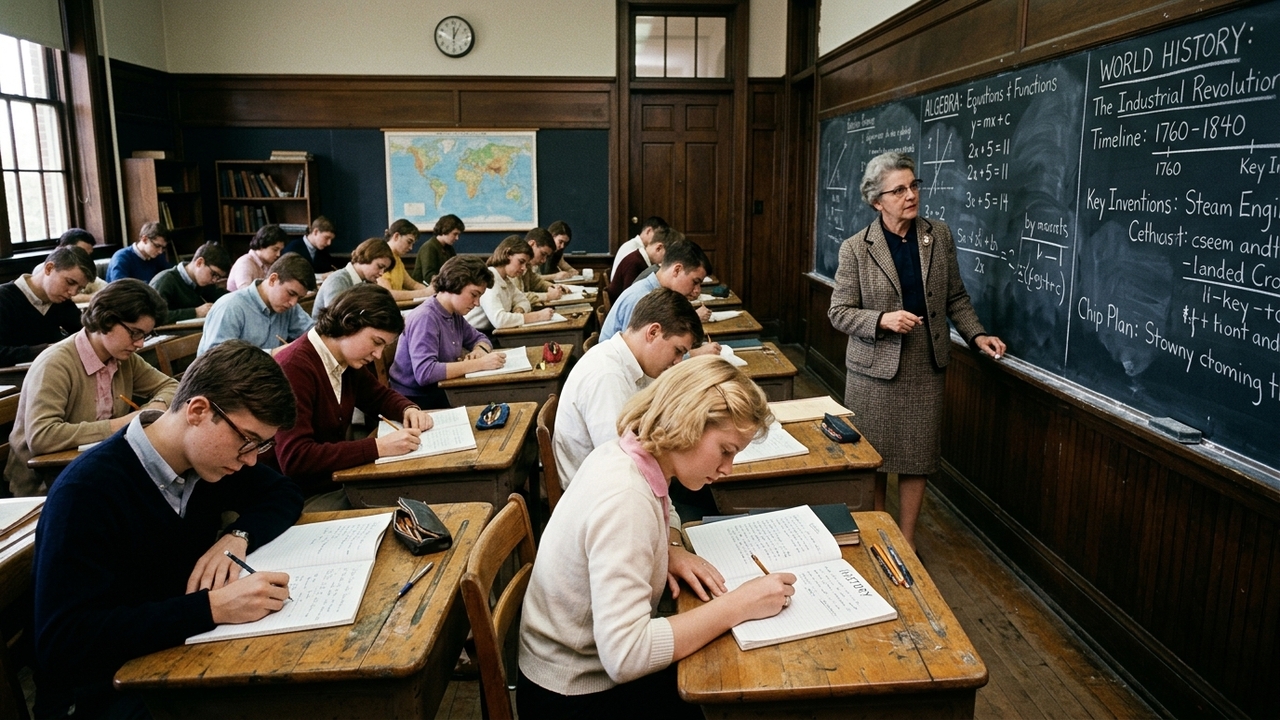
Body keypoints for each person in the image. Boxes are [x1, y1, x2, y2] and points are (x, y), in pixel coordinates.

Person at [32, 340, 303, 718]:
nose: (250, 460)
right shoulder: (87, 492)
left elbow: (284, 493)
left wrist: (238, 536)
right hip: (110, 691)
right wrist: (209, 609)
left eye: (260, 446)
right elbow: (65, 641)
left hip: (183, 655)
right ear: (198, 410)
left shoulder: (209, 462)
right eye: (247, 441)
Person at [517, 355, 795, 717]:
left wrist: (669, 548)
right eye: (725, 451)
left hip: (576, 671)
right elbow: (626, 655)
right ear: (688, 423)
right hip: (573, 694)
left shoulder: (626, 454)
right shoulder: (626, 499)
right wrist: (739, 604)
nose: (727, 468)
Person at [828, 151, 1006, 549]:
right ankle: (876, 538)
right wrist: (881, 320)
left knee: (916, 460)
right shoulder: (855, 248)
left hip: (925, 365)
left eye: (914, 185)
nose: (911, 195)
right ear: (877, 202)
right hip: (873, 370)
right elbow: (838, 313)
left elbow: (955, 297)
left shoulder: (937, 235)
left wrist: (976, 335)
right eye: (899, 190)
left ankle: (904, 544)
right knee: (872, 460)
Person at [7, 279, 178, 497]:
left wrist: (155, 406)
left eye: (145, 335)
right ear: (106, 319)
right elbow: (42, 436)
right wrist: (123, 424)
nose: (140, 344)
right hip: (46, 482)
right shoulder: (56, 364)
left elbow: (171, 385)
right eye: (135, 333)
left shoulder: (124, 358)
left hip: (96, 469)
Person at [272, 285, 434, 496]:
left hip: (336, 480)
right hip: (300, 495)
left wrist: (408, 409)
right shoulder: (294, 367)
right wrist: (378, 447)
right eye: (376, 342)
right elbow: (295, 458)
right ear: (349, 324)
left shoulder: (346, 360)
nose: (378, 354)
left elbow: (378, 396)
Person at [554, 287, 701, 486]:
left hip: (617, 479)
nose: (677, 361)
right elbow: (621, 462)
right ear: (653, 332)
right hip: (598, 492)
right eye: (678, 351)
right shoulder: (607, 375)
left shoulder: (632, 364)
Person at [389, 256, 505, 408]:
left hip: (439, 390)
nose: (477, 303)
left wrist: (480, 350)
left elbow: (480, 338)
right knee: (492, 401)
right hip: (415, 400)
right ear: (455, 283)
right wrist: (479, 364)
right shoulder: (426, 317)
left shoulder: (453, 313)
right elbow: (425, 373)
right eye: (474, 294)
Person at [600, 238, 716, 351]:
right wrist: (694, 355)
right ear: (677, 270)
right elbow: (638, 355)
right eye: (695, 282)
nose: (697, 290)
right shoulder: (641, 298)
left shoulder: (661, 294)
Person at [199, 253, 317, 355]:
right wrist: (273, 354)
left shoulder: (289, 308)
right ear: (273, 279)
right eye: (291, 293)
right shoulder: (231, 307)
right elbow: (218, 358)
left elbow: (314, 335)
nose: (293, 303)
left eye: (299, 298)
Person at [0, 246, 96, 365]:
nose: (73, 292)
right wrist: (49, 349)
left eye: (80, 288)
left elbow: (84, 334)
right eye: (70, 282)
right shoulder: (4, 298)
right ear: (49, 268)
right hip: (12, 378)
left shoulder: (62, 300)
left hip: (54, 370)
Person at [465, 235, 555, 332]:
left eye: (526, 264)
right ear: (507, 254)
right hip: (473, 335)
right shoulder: (489, 280)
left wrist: (519, 309)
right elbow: (499, 320)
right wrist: (537, 316)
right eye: (521, 262)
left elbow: (524, 301)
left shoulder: (506, 281)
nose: (524, 268)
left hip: (492, 333)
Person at [311, 237, 395, 317]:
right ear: (366, 257)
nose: (381, 273)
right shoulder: (338, 280)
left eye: (384, 269)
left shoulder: (363, 283)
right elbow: (335, 319)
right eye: (380, 266)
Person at [149, 241, 232, 321]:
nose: (214, 280)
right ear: (199, 262)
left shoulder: (205, 283)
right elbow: (154, 316)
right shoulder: (164, 281)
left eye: (218, 277)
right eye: (214, 274)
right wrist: (195, 312)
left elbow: (224, 298)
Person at [608, 225, 678, 303]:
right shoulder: (634, 263)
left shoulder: (640, 259)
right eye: (670, 255)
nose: (670, 260)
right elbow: (632, 299)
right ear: (659, 248)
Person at [378, 218, 434, 301]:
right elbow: (388, 294)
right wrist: (424, 292)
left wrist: (431, 291)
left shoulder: (397, 259)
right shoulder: (381, 257)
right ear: (396, 236)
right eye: (409, 242)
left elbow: (412, 284)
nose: (411, 248)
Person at [49, 228, 107, 302]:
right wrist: (92, 297)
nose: (85, 259)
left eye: (88, 255)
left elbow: (106, 290)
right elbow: (57, 295)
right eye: (80, 252)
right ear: (63, 249)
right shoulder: (46, 270)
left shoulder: (83, 271)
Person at [227, 224, 287, 292]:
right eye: (275, 249)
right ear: (262, 245)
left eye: (280, 250)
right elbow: (245, 293)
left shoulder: (269, 264)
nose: (278, 254)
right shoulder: (245, 263)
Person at [106, 221, 171, 282]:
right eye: (157, 246)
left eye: (163, 248)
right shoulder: (121, 258)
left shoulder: (157, 256)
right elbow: (121, 289)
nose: (160, 251)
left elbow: (170, 276)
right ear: (144, 239)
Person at [520, 227, 570, 304]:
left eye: (546, 256)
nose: (544, 260)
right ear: (531, 244)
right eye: (543, 254)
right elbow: (516, 297)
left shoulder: (527, 265)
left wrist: (553, 287)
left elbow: (536, 282)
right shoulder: (514, 263)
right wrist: (548, 296)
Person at [411, 214, 464, 284]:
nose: (457, 238)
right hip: (424, 289)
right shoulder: (429, 247)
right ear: (445, 229)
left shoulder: (449, 248)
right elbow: (428, 276)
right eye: (455, 234)